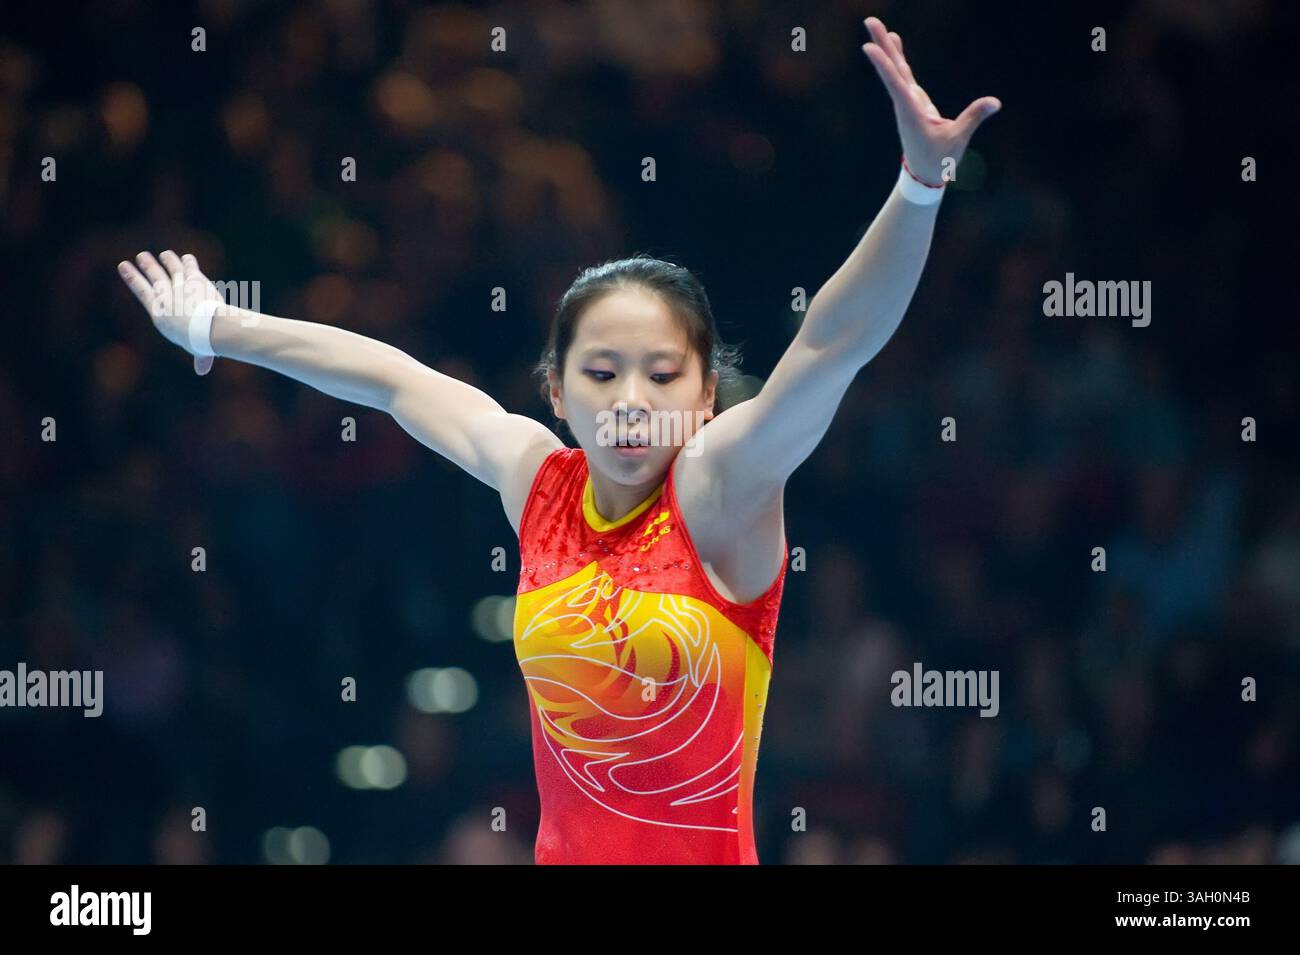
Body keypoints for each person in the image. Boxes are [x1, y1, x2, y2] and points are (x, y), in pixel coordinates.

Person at [115, 16, 999, 864]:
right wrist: (217, 327)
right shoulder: (536, 483)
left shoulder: (721, 489)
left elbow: (830, 343)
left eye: (662, 375)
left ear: (703, 399)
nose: (630, 400)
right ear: (557, 393)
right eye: (603, 372)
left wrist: (919, 188)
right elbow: (388, 378)